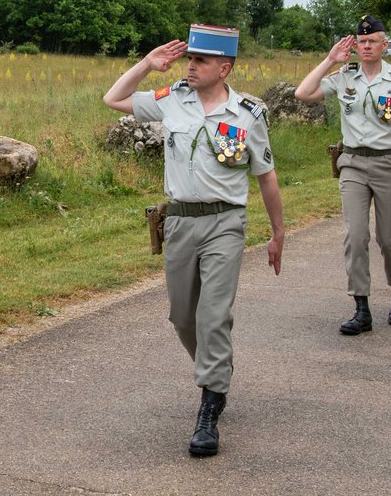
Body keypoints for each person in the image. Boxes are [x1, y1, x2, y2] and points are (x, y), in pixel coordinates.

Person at [104, 23, 284, 458]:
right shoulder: (172, 102)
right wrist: (148, 64)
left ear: (224, 67)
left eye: (200, 60)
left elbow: (266, 176)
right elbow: (113, 99)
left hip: (226, 222)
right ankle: (215, 367)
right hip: (181, 222)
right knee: (183, 317)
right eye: (189, 58)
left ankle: (210, 404)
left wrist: (278, 232)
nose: (190, 66)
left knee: (213, 314)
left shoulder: (248, 114)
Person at [295, 16, 391, 335]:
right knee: (355, 236)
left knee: (389, 238)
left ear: (384, 45)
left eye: (372, 41)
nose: (366, 46)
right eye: (361, 42)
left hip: (390, 163)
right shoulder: (345, 77)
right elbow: (303, 92)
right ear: (355, 45)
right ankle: (361, 307)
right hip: (352, 162)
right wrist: (329, 59)